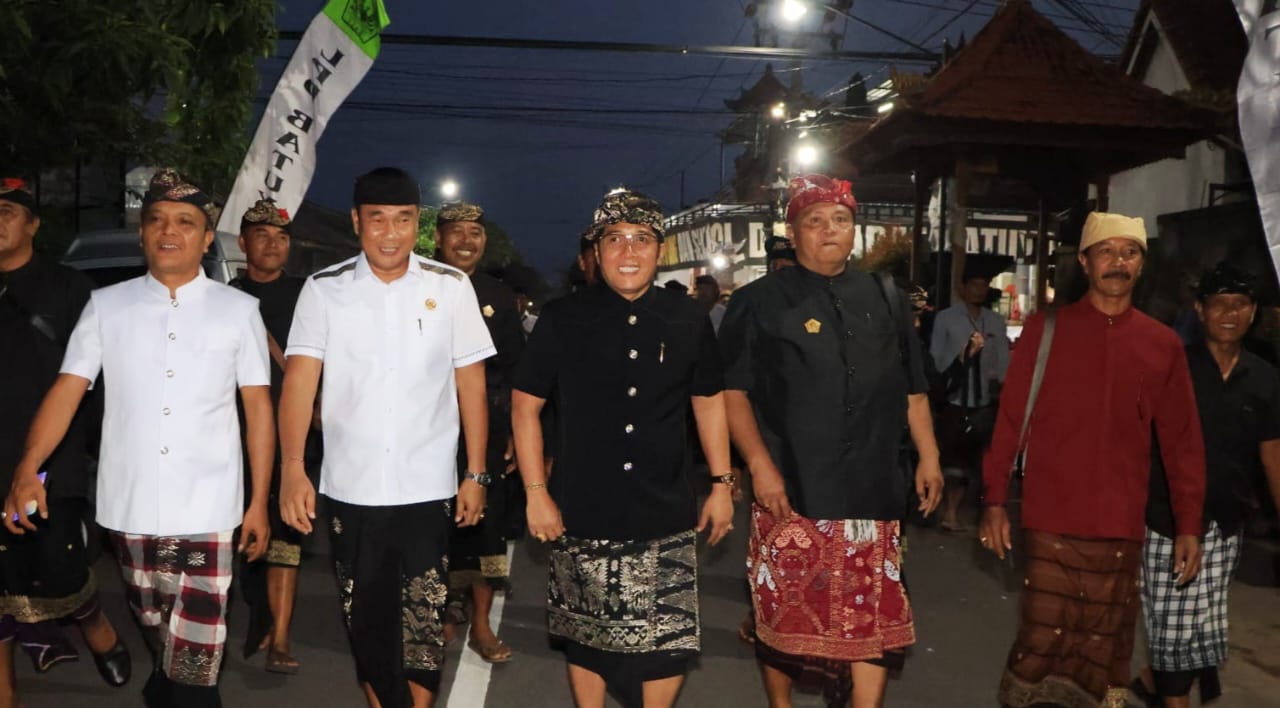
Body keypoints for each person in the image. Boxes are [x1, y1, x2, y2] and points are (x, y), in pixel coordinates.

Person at [6, 169, 274, 708]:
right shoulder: (108, 306)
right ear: (143, 233)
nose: (168, 231)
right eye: (157, 220)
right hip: (128, 510)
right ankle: (165, 682)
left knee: (197, 662)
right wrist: (27, 468)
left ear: (205, 237)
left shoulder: (239, 311)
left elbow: (258, 408)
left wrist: (260, 501)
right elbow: (67, 389)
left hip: (209, 510)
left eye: (185, 222)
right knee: (158, 629)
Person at [718, 174, 943, 708]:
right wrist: (758, 465)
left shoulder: (886, 297)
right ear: (793, 234)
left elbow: (914, 389)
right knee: (783, 614)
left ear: (854, 232)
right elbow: (733, 392)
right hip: (792, 486)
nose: (829, 231)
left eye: (840, 220)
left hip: (873, 486)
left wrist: (929, 456)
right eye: (814, 221)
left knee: (873, 616)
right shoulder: (757, 301)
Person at [277, 167, 493, 708]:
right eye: (378, 220)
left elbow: (472, 385)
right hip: (352, 487)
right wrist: (291, 468)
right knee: (367, 623)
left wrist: (476, 472)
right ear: (357, 222)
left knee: (422, 621)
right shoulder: (324, 290)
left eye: (403, 220)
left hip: (428, 487)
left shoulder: (450, 287)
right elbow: (299, 385)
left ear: (417, 224)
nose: (390, 233)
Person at [511, 189, 734, 708]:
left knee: (669, 643)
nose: (628, 252)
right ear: (596, 251)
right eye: (614, 240)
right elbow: (524, 408)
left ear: (660, 250)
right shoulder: (563, 317)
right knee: (588, 639)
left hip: (666, 507)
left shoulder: (687, 317)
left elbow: (708, 400)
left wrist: (722, 484)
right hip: (582, 508)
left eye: (641, 240)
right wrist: (536, 493)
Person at [979, 211, 1205, 708]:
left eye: (1130, 252)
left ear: (1141, 265)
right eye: (1107, 251)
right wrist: (994, 500)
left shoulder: (1163, 344)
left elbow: (1182, 442)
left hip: (1120, 526)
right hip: (1050, 521)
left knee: (1103, 658)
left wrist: (1189, 524)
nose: (1118, 262)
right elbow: (1011, 421)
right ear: (1085, 261)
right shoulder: (1045, 330)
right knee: (1039, 647)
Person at [0, 177, 129, 704]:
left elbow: (96, 381)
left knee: (60, 570)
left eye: (8, 210)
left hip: (51, 459)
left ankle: (96, 626)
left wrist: (102, 452)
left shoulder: (69, 289)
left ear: (33, 223)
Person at [1132, 263, 1280, 707]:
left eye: (1240, 304)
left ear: (1253, 312)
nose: (1230, 313)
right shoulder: (1171, 365)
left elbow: (1272, 451)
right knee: (1171, 634)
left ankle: (1150, 680)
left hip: (1225, 522)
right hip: (1166, 521)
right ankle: (1165, 687)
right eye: (1220, 304)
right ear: (1200, 310)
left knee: (1201, 633)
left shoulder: (1265, 376)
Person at [434, 201, 525, 663]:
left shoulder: (498, 294)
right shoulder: (418, 287)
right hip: (427, 431)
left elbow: (515, 370)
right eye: (457, 232)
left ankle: (482, 625)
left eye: (475, 232)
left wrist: (514, 432)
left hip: (486, 432)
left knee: (486, 528)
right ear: (438, 238)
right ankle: (442, 614)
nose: (466, 241)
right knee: (437, 527)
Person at [228, 199, 308, 674]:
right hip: (236, 435)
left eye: (281, 237)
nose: (273, 244)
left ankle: (280, 637)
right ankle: (258, 614)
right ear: (243, 244)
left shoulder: (309, 295)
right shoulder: (225, 297)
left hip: (297, 434)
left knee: (286, 537)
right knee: (243, 534)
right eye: (262, 236)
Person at [930, 265, 1010, 532]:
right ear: (963, 289)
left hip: (984, 402)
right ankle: (950, 512)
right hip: (954, 400)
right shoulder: (946, 319)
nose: (979, 290)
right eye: (974, 285)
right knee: (952, 458)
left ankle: (970, 510)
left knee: (977, 460)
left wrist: (1002, 390)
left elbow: (1003, 365)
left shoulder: (996, 322)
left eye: (983, 285)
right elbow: (936, 360)